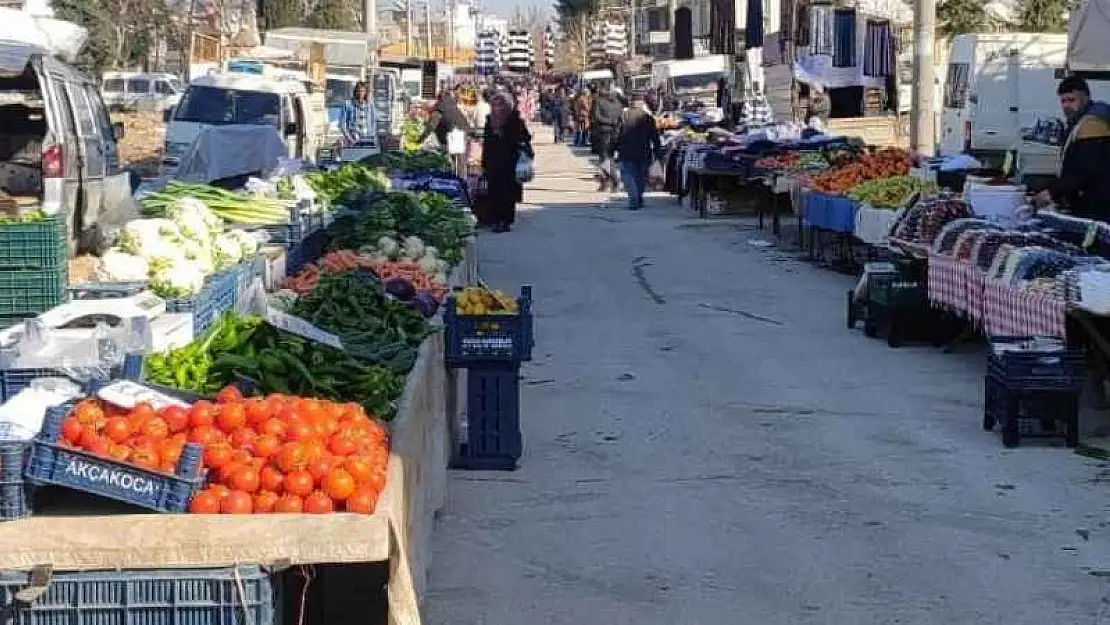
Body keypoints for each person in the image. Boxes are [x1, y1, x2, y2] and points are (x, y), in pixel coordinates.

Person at [1032, 76, 1110, 220]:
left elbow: (1084, 169)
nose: (1066, 105)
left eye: (1071, 100)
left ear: (1085, 98)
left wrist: (1052, 192)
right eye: (1063, 101)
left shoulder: (1092, 124)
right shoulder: (1079, 122)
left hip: (1096, 206)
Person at [482, 92, 533, 233]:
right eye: (496, 105)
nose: (498, 108)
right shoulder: (491, 121)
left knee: (505, 193)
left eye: (501, 105)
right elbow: (487, 144)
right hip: (497, 163)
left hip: (509, 163)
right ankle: (498, 220)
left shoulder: (514, 121)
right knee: (497, 192)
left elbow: (524, 138)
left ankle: (503, 221)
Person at [614, 95, 662, 211]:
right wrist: (657, 152)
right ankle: (638, 198)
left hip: (626, 151)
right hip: (644, 152)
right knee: (641, 177)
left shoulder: (624, 116)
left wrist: (613, 148)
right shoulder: (648, 118)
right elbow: (655, 137)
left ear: (631, 103)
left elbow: (616, 134)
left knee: (628, 176)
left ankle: (634, 199)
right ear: (642, 104)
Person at [590, 83, 623, 192]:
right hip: (614, 132)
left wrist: (609, 122)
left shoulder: (599, 101)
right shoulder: (618, 103)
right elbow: (620, 117)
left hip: (603, 132)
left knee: (605, 158)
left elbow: (596, 116)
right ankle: (605, 182)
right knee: (608, 157)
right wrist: (615, 123)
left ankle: (614, 180)